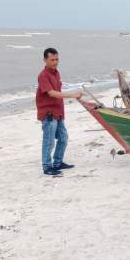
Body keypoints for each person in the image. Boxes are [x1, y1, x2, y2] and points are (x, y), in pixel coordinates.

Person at [36, 48, 82, 176]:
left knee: (63, 138)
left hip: (59, 112)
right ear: (45, 60)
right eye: (52, 60)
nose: (55, 62)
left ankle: (57, 162)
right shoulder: (43, 75)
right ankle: (47, 166)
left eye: (57, 59)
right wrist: (72, 95)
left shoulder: (56, 73)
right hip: (48, 113)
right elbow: (51, 93)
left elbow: (57, 92)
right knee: (49, 141)